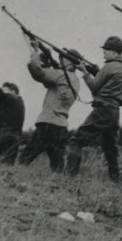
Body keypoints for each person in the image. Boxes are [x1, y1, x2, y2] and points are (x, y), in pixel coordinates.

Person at [66, 36, 122, 182]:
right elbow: (109, 84)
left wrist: (85, 71)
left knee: (76, 140)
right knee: (110, 148)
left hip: (102, 111)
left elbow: (94, 88)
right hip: (114, 112)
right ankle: (115, 180)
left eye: (106, 50)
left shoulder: (108, 67)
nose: (104, 53)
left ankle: (70, 177)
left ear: (114, 52)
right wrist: (96, 72)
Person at [19, 38, 80, 172]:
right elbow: (50, 82)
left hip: (47, 123)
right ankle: (56, 184)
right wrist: (48, 62)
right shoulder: (76, 80)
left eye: (64, 58)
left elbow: (37, 72)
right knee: (57, 166)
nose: (61, 60)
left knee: (24, 159)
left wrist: (35, 51)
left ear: (70, 62)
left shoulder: (61, 75)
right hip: (61, 126)